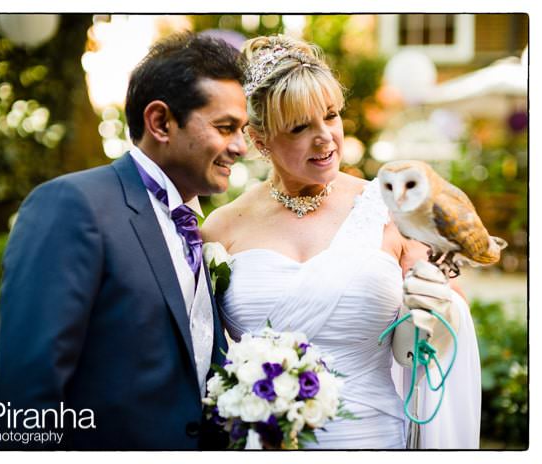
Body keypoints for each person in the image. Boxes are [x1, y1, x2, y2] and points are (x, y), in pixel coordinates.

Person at [202, 35, 481, 449]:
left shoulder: (393, 207)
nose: (326, 138)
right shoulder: (220, 229)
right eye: (300, 127)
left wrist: (440, 315)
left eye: (330, 116)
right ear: (260, 141)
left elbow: (428, 339)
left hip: (374, 439)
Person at [0, 32, 248, 450]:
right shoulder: (72, 206)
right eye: (225, 128)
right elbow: (28, 391)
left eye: (242, 130)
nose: (240, 147)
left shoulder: (202, 229)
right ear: (161, 122)